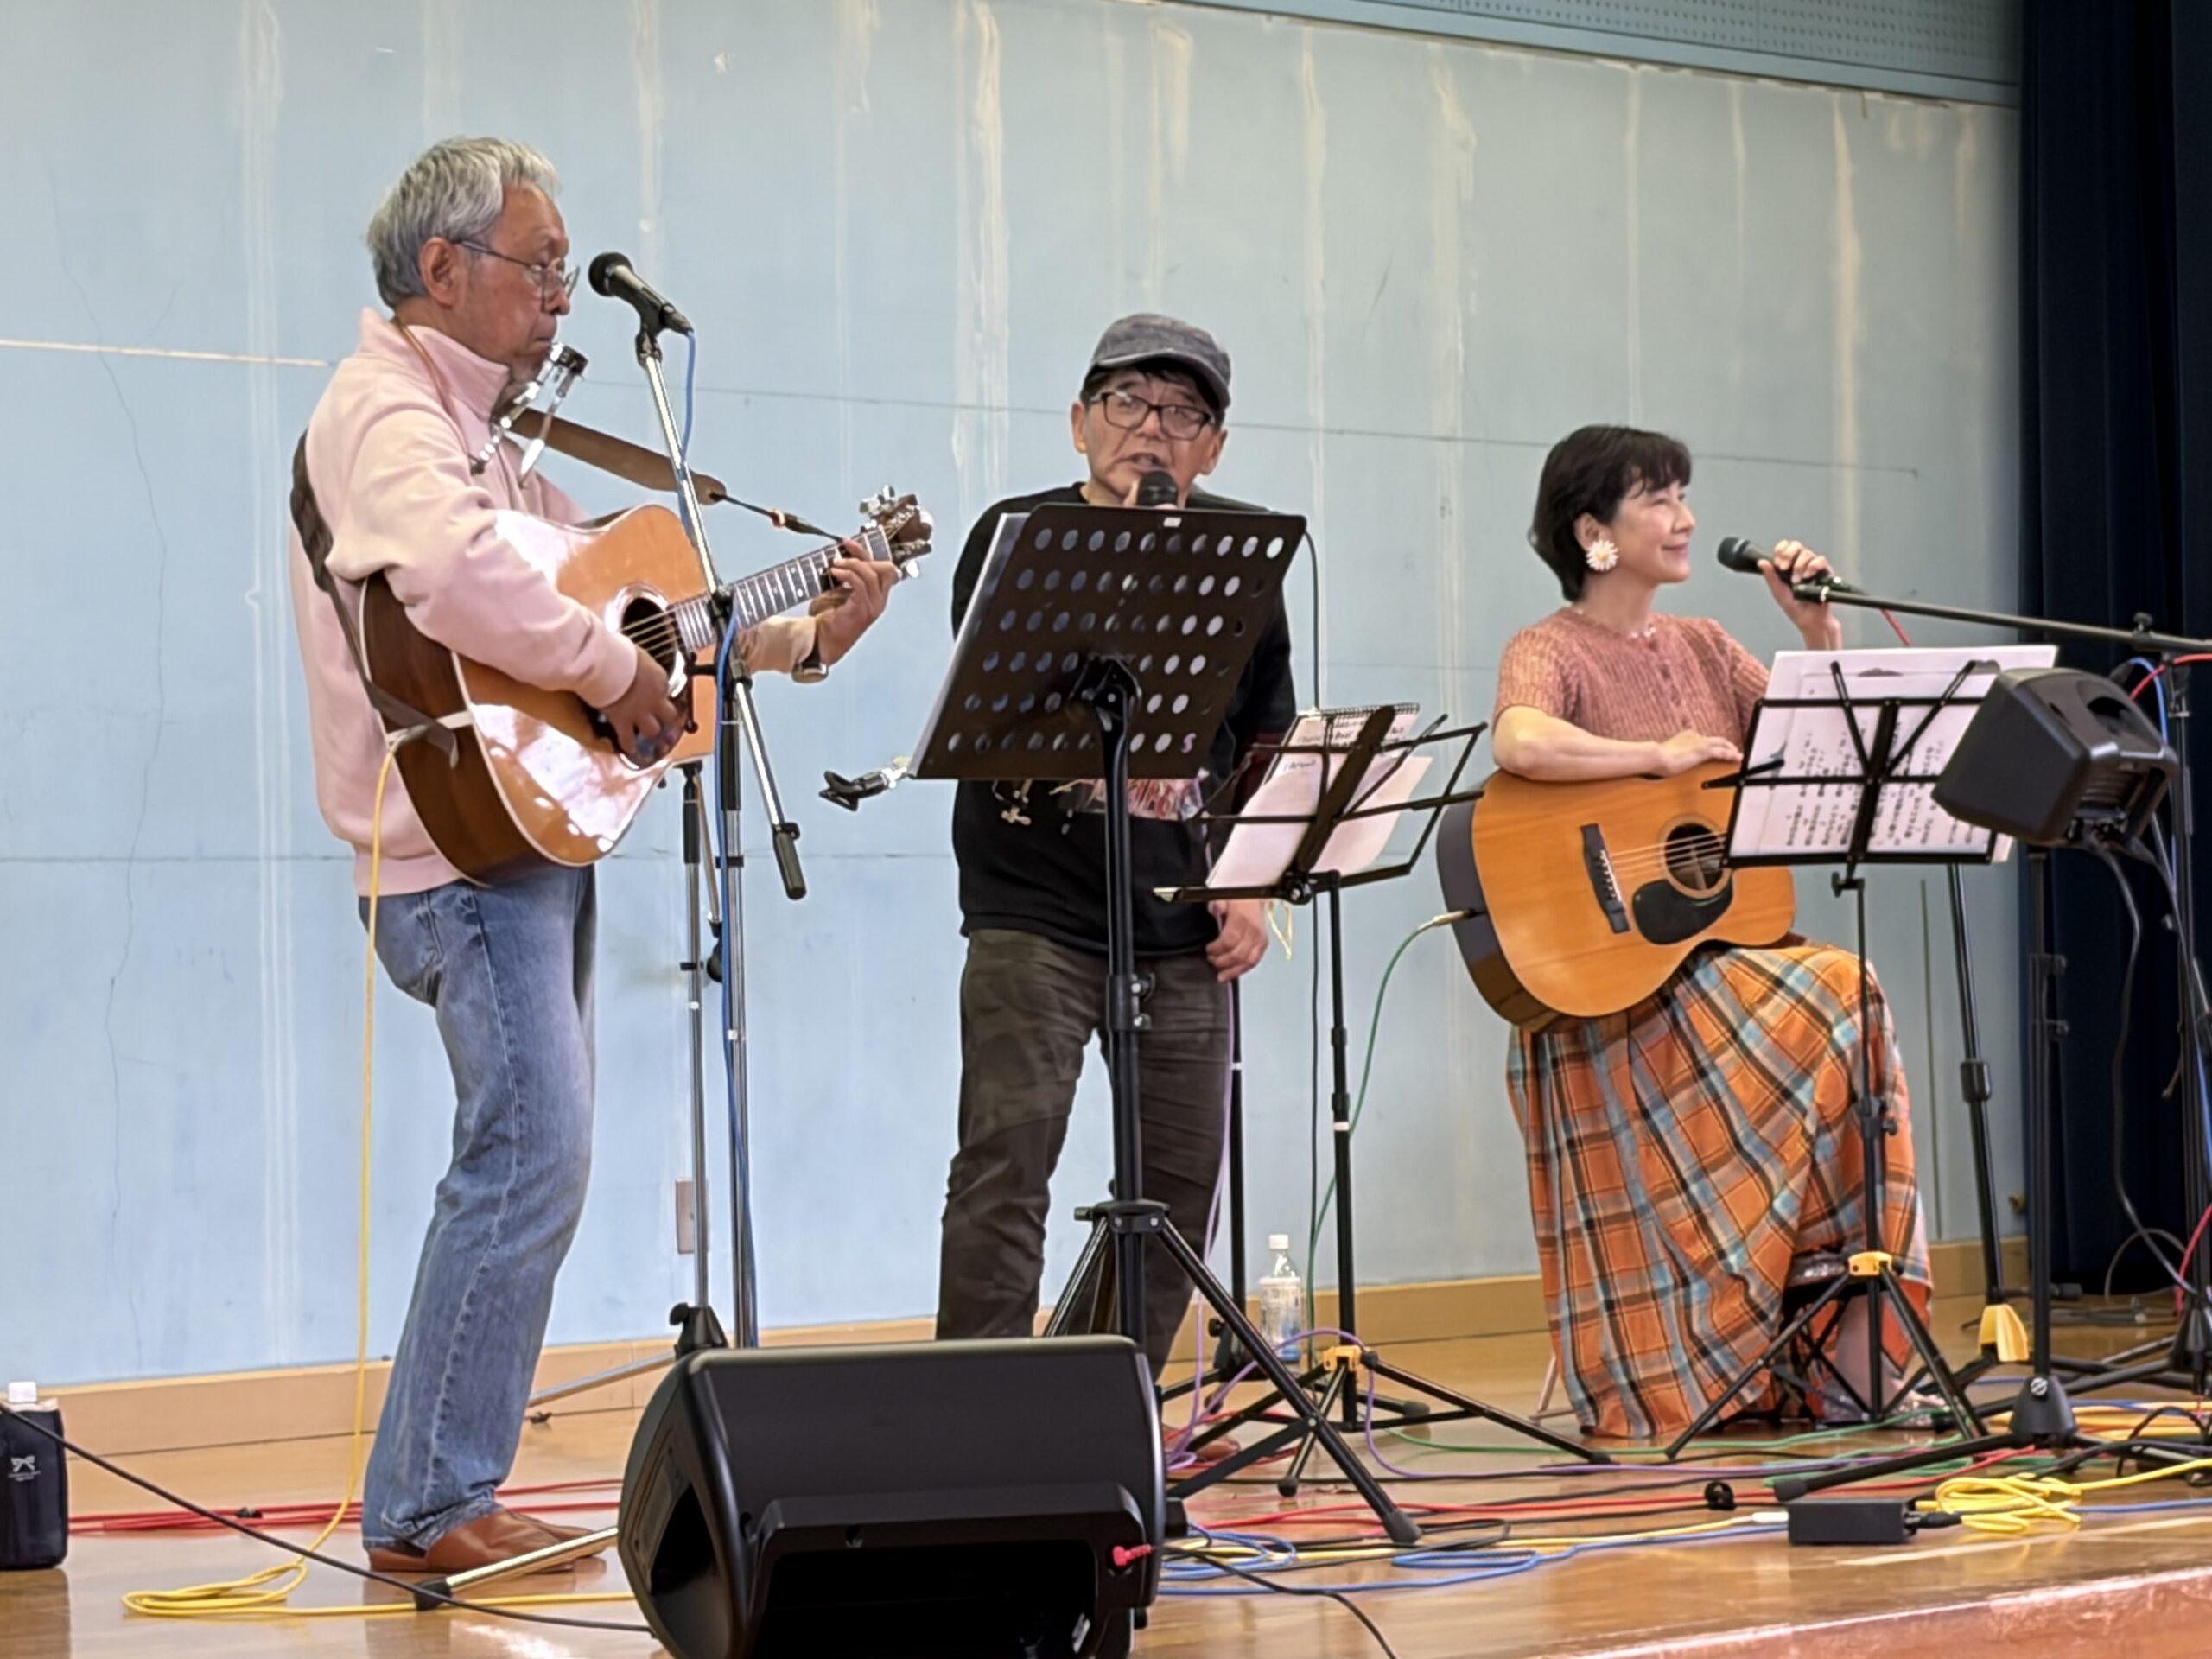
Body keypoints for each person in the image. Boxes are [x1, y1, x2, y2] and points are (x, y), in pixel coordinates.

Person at [286, 137, 896, 1573]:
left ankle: (441, 1492)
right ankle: (431, 1506)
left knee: (530, 1157)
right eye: (541, 264)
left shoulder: (490, 442)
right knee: (527, 1154)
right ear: (444, 268)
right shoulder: (385, 411)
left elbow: (640, 612)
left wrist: (806, 634)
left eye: (569, 270)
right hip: (456, 859)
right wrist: (611, 672)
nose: (562, 293)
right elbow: (458, 578)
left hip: (522, 835)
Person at [1490, 423, 1929, 1440]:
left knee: (1855, 1018)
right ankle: (1753, 1357)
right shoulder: (1547, 648)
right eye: (1657, 498)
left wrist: (1816, 632)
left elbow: (1818, 753)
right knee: (1842, 991)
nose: (1684, 518)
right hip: (1618, 980)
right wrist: (1651, 759)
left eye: (1683, 494)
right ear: (1592, 531)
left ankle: (1854, 1363)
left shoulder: (1703, 644)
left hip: (1723, 959)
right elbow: (1520, 739)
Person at [935, 315, 1296, 1420]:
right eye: (1128, 402)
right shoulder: (1021, 534)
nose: (1152, 428)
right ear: (1080, 422)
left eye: (1182, 413)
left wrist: (1251, 880)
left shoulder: (1240, 554)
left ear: (1213, 446)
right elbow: (990, 704)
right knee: (1007, 1169)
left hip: (1180, 915)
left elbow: (1264, 743)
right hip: (1031, 909)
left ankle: (1092, 1413)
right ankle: (977, 1425)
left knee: (1178, 1190)